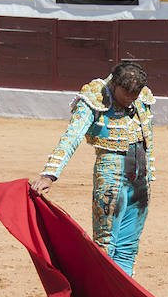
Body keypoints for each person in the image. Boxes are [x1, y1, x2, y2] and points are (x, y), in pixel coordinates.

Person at [30, 63, 154, 277]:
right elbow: (72, 136)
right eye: (127, 94)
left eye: (135, 94)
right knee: (106, 245)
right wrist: (50, 173)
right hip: (111, 177)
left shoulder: (141, 96)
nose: (131, 99)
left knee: (129, 247)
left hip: (141, 178)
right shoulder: (94, 97)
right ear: (114, 84)